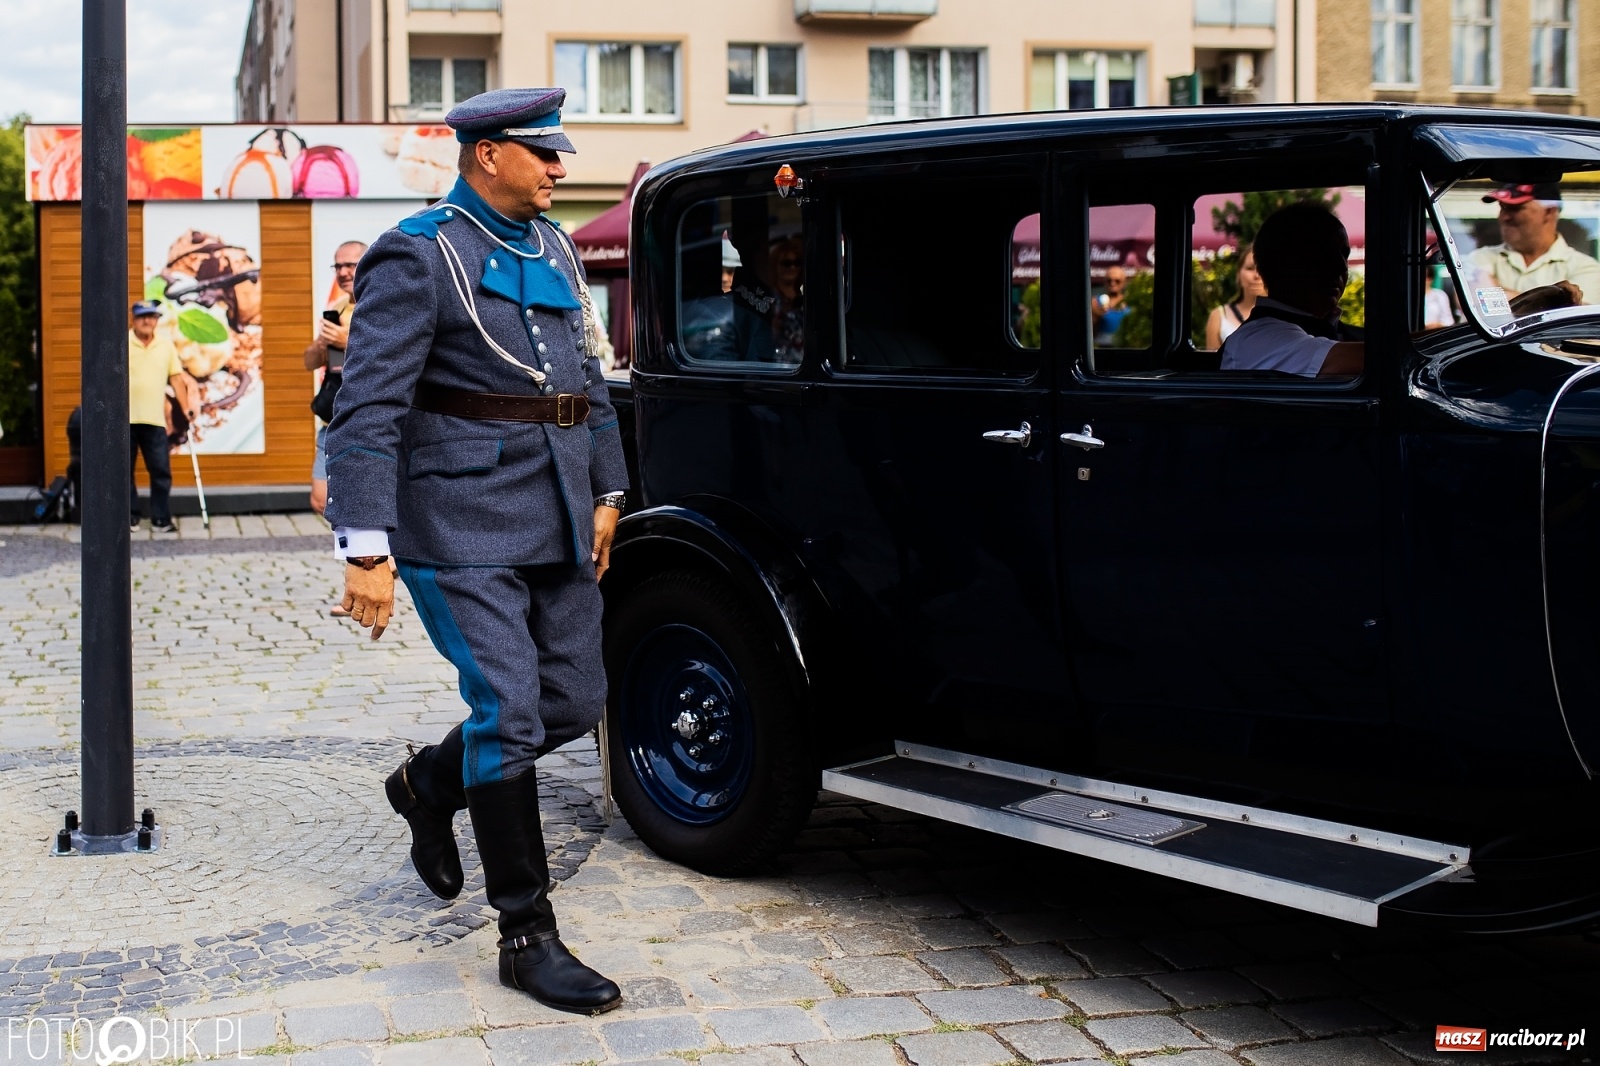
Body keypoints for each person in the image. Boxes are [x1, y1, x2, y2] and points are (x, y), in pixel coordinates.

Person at [324, 87, 627, 1016]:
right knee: (509, 705)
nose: (561, 169)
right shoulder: (417, 253)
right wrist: (365, 548)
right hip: (455, 520)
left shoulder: (557, 246)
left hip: (558, 509)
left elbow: (586, 374)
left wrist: (610, 489)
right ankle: (526, 931)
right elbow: (366, 408)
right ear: (487, 154)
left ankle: (425, 784)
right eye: (544, 153)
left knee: (575, 700)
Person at [1220, 203, 1363, 379]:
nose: (1341, 266)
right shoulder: (1257, 338)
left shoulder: (1341, 331)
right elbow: (1363, 361)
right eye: (1323, 253)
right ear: (1281, 262)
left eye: (1344, 254)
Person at [306, 241, 367, 517]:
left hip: (367, 421)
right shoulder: (338, 307)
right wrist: (323, 344)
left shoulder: (380, 304)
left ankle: (380, 557)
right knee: (321, 500)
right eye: (338, 265)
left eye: (350, 265)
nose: (343, 272)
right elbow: (308, 362)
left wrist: (346, 341)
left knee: (370, 498)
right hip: (332, 418)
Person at [1466, 182, 1600, 304]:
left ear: (1549, 211)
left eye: (1515, 208)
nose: (1504, 217)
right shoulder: (1479, 257)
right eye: (1503, 208)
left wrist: (1494, 291)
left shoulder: (1585, 267)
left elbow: (1573, 320)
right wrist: (1551, 300)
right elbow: (1472, 303)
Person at [128, 301, 198, 532]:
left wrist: (186, 406)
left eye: (151, 317)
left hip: (154, 420)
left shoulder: (165, 346)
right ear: (133, 319)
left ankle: (161, 518)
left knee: (160, 470)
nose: (147, 321)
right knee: (123, 471)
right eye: (142, 317)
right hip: (124, 421)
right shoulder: (122, 343)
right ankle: (129, 516)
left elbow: (176, 379)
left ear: (157, 320)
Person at [1205, 245, 1265, 349]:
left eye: (1263, 268)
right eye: (1250, 268)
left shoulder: (1287, 318)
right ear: (1238, 275)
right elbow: (1211, 364)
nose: (1257, 275)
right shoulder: (1219, 317)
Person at [1091, 265, 1128, 346]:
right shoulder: (1095, 302)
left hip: (1124, 348)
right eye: (1109, 280)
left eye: (1117, 281)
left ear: (1124, 282)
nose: (1112, 283)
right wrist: (1096, 317)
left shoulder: (1130, 302)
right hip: (1102, 348)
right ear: (1104, 282)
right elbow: (1088, 333)